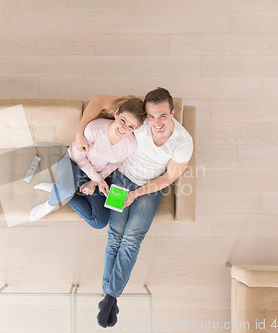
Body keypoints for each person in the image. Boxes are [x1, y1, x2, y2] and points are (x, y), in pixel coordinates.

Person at [75, 88, 193, 328]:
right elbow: (98, 100)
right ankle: (110, 297)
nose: (156, 122)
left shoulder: (183, 142)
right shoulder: (136, 122)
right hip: (121, 179)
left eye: (162, 116)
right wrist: (80, 133)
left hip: (150, 187)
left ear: (172, 112)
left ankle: (110, 295)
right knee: (115, 234)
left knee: (132, 238)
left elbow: (169, 177)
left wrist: (136, 194)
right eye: (151, 116)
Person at [29, 96, 146, 230]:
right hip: (72, 163)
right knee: (68, 187)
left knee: (100, 222)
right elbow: (80, 160)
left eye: (131, 127)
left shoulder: (130, 145)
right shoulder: (94, 129)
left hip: (93, 176)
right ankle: (49, 205)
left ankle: (58, 190)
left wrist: (94, 182)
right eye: (123, 121)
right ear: (116, 113)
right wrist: (99, 180)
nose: (123, 129)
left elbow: (116, 163)